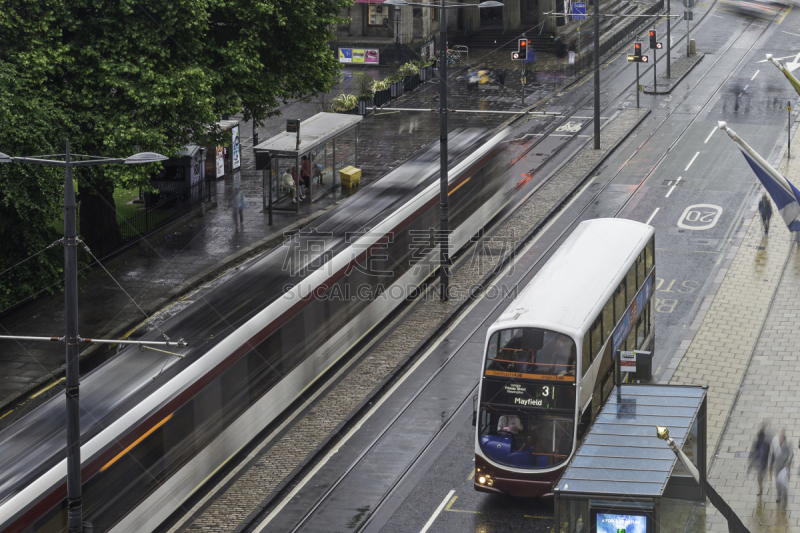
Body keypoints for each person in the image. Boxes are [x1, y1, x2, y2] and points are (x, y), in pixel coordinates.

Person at [769, 427, 793, 507]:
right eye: (780, 434)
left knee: (785, 482)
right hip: (777, 465)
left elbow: (791, 453)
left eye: (782, 434)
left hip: (786, 466)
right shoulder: (775, 441)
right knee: (777, 481)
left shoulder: (788, 442)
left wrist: (788, 461)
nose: (781, 436)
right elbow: (772, 452)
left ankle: (785, 495)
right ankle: (779, 495)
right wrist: (771, 464)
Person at [748, 421, 771, 495]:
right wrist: (750, 458)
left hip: (765, 460)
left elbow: (770, 451)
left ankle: (761, 484)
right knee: (759, 473)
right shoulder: (758, 438)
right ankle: (760, 487)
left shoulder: (767, 441)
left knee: (762, 473)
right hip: (759, 459)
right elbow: (754, 448)